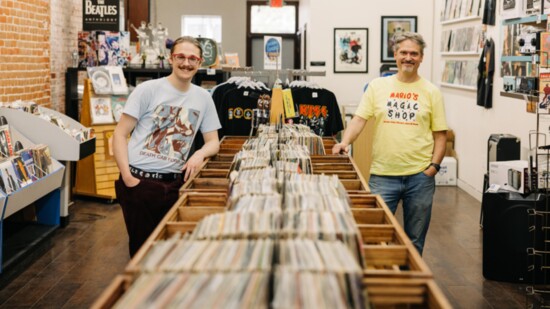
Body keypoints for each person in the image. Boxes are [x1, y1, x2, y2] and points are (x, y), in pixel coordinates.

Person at [332, 32, 448, 255]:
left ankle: (411, 284)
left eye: (414, 53)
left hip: (420, 178)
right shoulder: (377, 86)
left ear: (421, 57)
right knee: (374, 235)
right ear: (395, 55)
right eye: (403, 52)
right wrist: (344, 142)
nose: (408, 57)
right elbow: (359, 119)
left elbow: (440, 135)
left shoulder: (432, 92)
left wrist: (433, 168)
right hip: (383, 175)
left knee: (415, 240)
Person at [113, 36, 221, 257]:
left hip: (175, 185)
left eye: (193, 58)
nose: (186, 63)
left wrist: (199, 154)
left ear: (200, 63)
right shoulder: (148, 90)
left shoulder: (204, 98)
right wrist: (127, 178)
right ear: (171, 59)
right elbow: (119, 134)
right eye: (180, 57)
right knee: (142, 253)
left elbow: (213, 142)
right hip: (140, 183)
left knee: (172, 252)